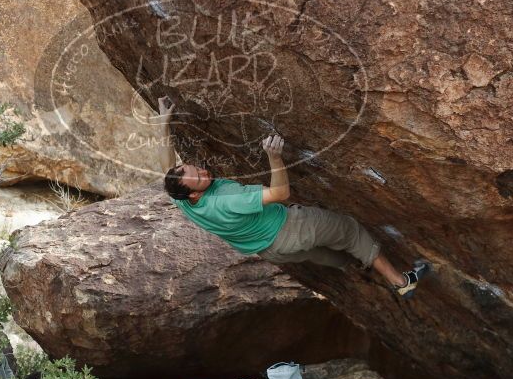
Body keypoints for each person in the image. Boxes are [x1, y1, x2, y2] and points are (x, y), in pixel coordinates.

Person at [155, 96, 430, 298]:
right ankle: (401, 282)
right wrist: (274, 158)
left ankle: (353, 266)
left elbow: (166, 167)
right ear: (193, 192)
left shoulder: (184, 198)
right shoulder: (227, 200)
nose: (203, 171)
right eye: (199, 177)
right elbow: (280, 193)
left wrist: (162, 126)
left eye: (194, 168)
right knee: (350, 230)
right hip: (289, 229)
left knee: (323, 255)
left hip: (270, 249)